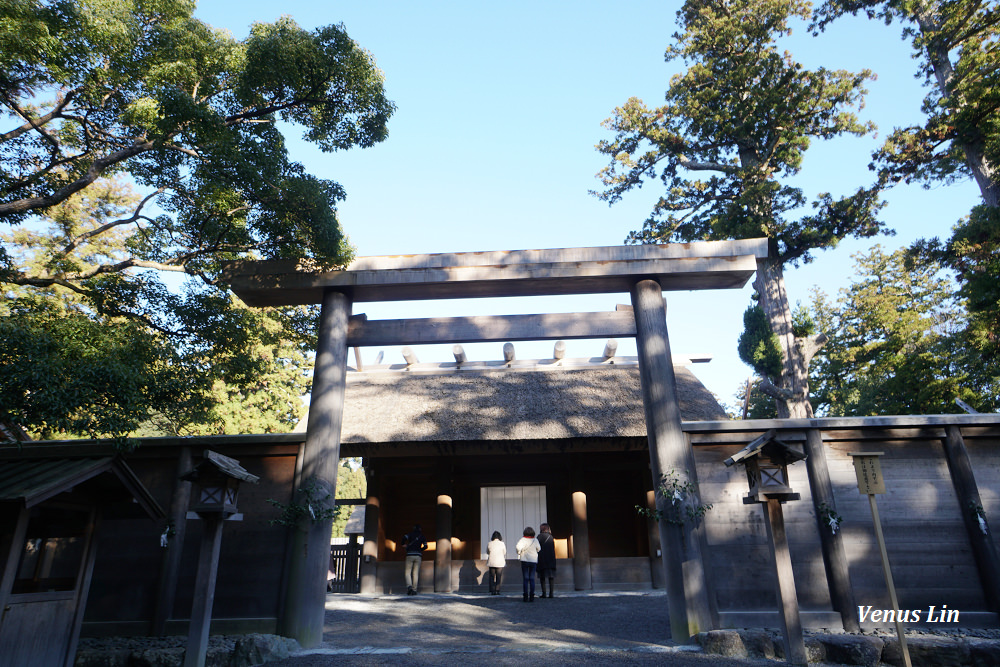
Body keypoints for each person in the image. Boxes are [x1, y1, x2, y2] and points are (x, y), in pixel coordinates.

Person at [515, 526, 541, 602]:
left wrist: (519, 552)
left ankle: (525, 595)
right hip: (533, 561)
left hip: (525, 560)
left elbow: (517, 547)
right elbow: (539, 549)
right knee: (532, 578)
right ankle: (532, 595)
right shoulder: (535, 540)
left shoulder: (522, 540)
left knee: (525, 578)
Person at [401, 524, 428, 595]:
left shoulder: (410, 534)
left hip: (409, 555)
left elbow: (404, 538)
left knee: (407, 572)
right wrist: (420, 550)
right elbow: (426, 546)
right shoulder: (422, 536)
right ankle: (414, 590)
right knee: (415, 573)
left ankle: (409, 586)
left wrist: (403, 544)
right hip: (418, 556)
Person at [536, 522, 556, 598]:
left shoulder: (539, 537)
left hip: (542, 559)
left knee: (542, 577)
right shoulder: (551, 537)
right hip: (551, 559)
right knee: (551, 577)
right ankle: (551, 593)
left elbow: (537, 548)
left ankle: (544, 593)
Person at [486, 530, 507, 595]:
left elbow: (487, 552)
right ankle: (497, 590)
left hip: (492, 562)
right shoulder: (502, 543)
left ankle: (492, 590)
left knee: (492, 576)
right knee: (498, 576)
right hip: (500, 562)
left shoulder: (490, 543)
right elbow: (504, 552)